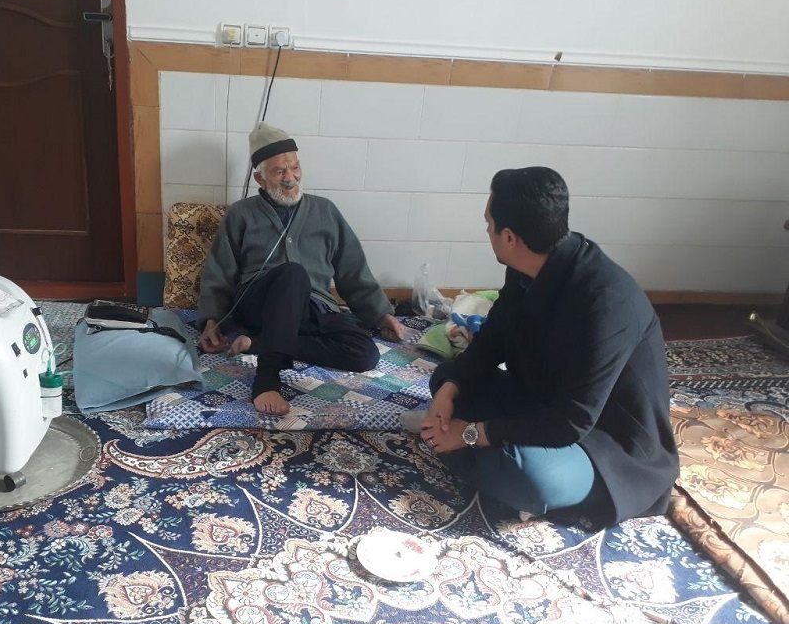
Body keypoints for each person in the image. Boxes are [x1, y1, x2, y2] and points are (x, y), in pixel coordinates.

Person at [409, 166, 678, 528]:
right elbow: (493, 341)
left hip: (602, 443)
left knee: (531, 480)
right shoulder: (526, 269)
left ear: (509, 237)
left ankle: (468, 450)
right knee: (446, 380)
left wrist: (470, 433)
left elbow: (572, 422)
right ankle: (467, 445)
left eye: (489, 223)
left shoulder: (607, 302)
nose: (486, 231)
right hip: (538, 403)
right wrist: (449, 391)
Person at [198, 122, 405, 415]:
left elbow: (353, 270)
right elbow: (219, 272)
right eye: (279, 172)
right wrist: (212, 321)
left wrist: (382, 315)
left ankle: (259, 343)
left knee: (365, 354)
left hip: (312, 307)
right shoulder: (241, 214)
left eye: (294, 167)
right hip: (259, 304)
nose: (290, 178)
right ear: (260, 178)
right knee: (293, 273)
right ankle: (266, 381)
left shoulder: (325, 210)